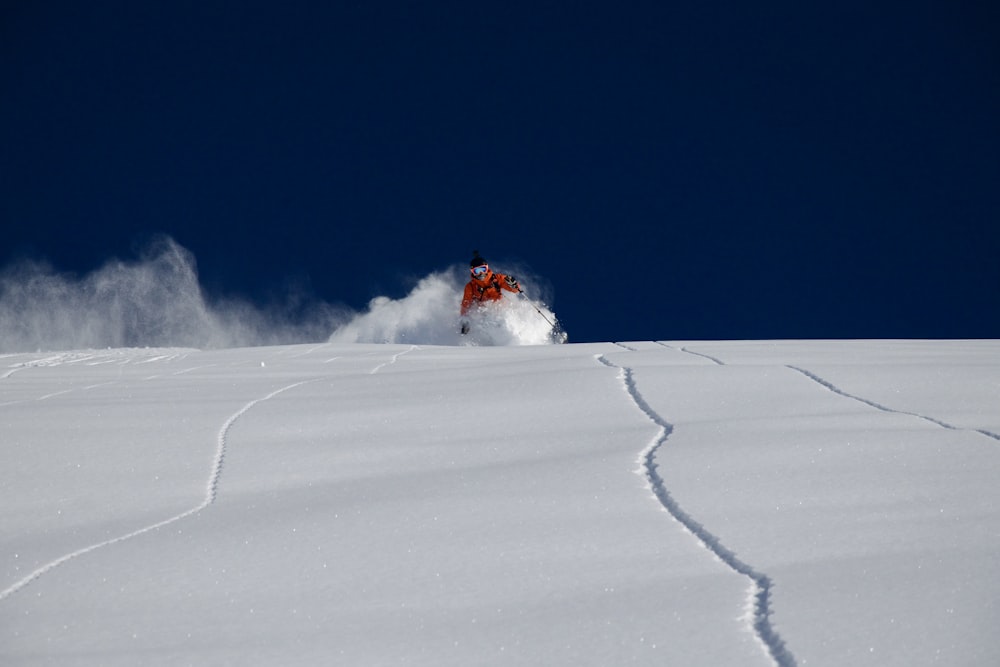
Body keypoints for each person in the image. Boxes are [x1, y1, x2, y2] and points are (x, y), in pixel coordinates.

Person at [460, 251, 520, 334]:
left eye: (483, 269)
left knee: (503, 322)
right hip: (483, 313)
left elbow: (515, 289)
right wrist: (465, 321)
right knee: (486, 323)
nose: (481, 273)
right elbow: (466, 304)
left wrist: (514, 285)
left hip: (500, 310)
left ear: (487, 268)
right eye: (477, 271)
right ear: (472, 272)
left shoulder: (497, 279)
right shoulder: (470, 287)